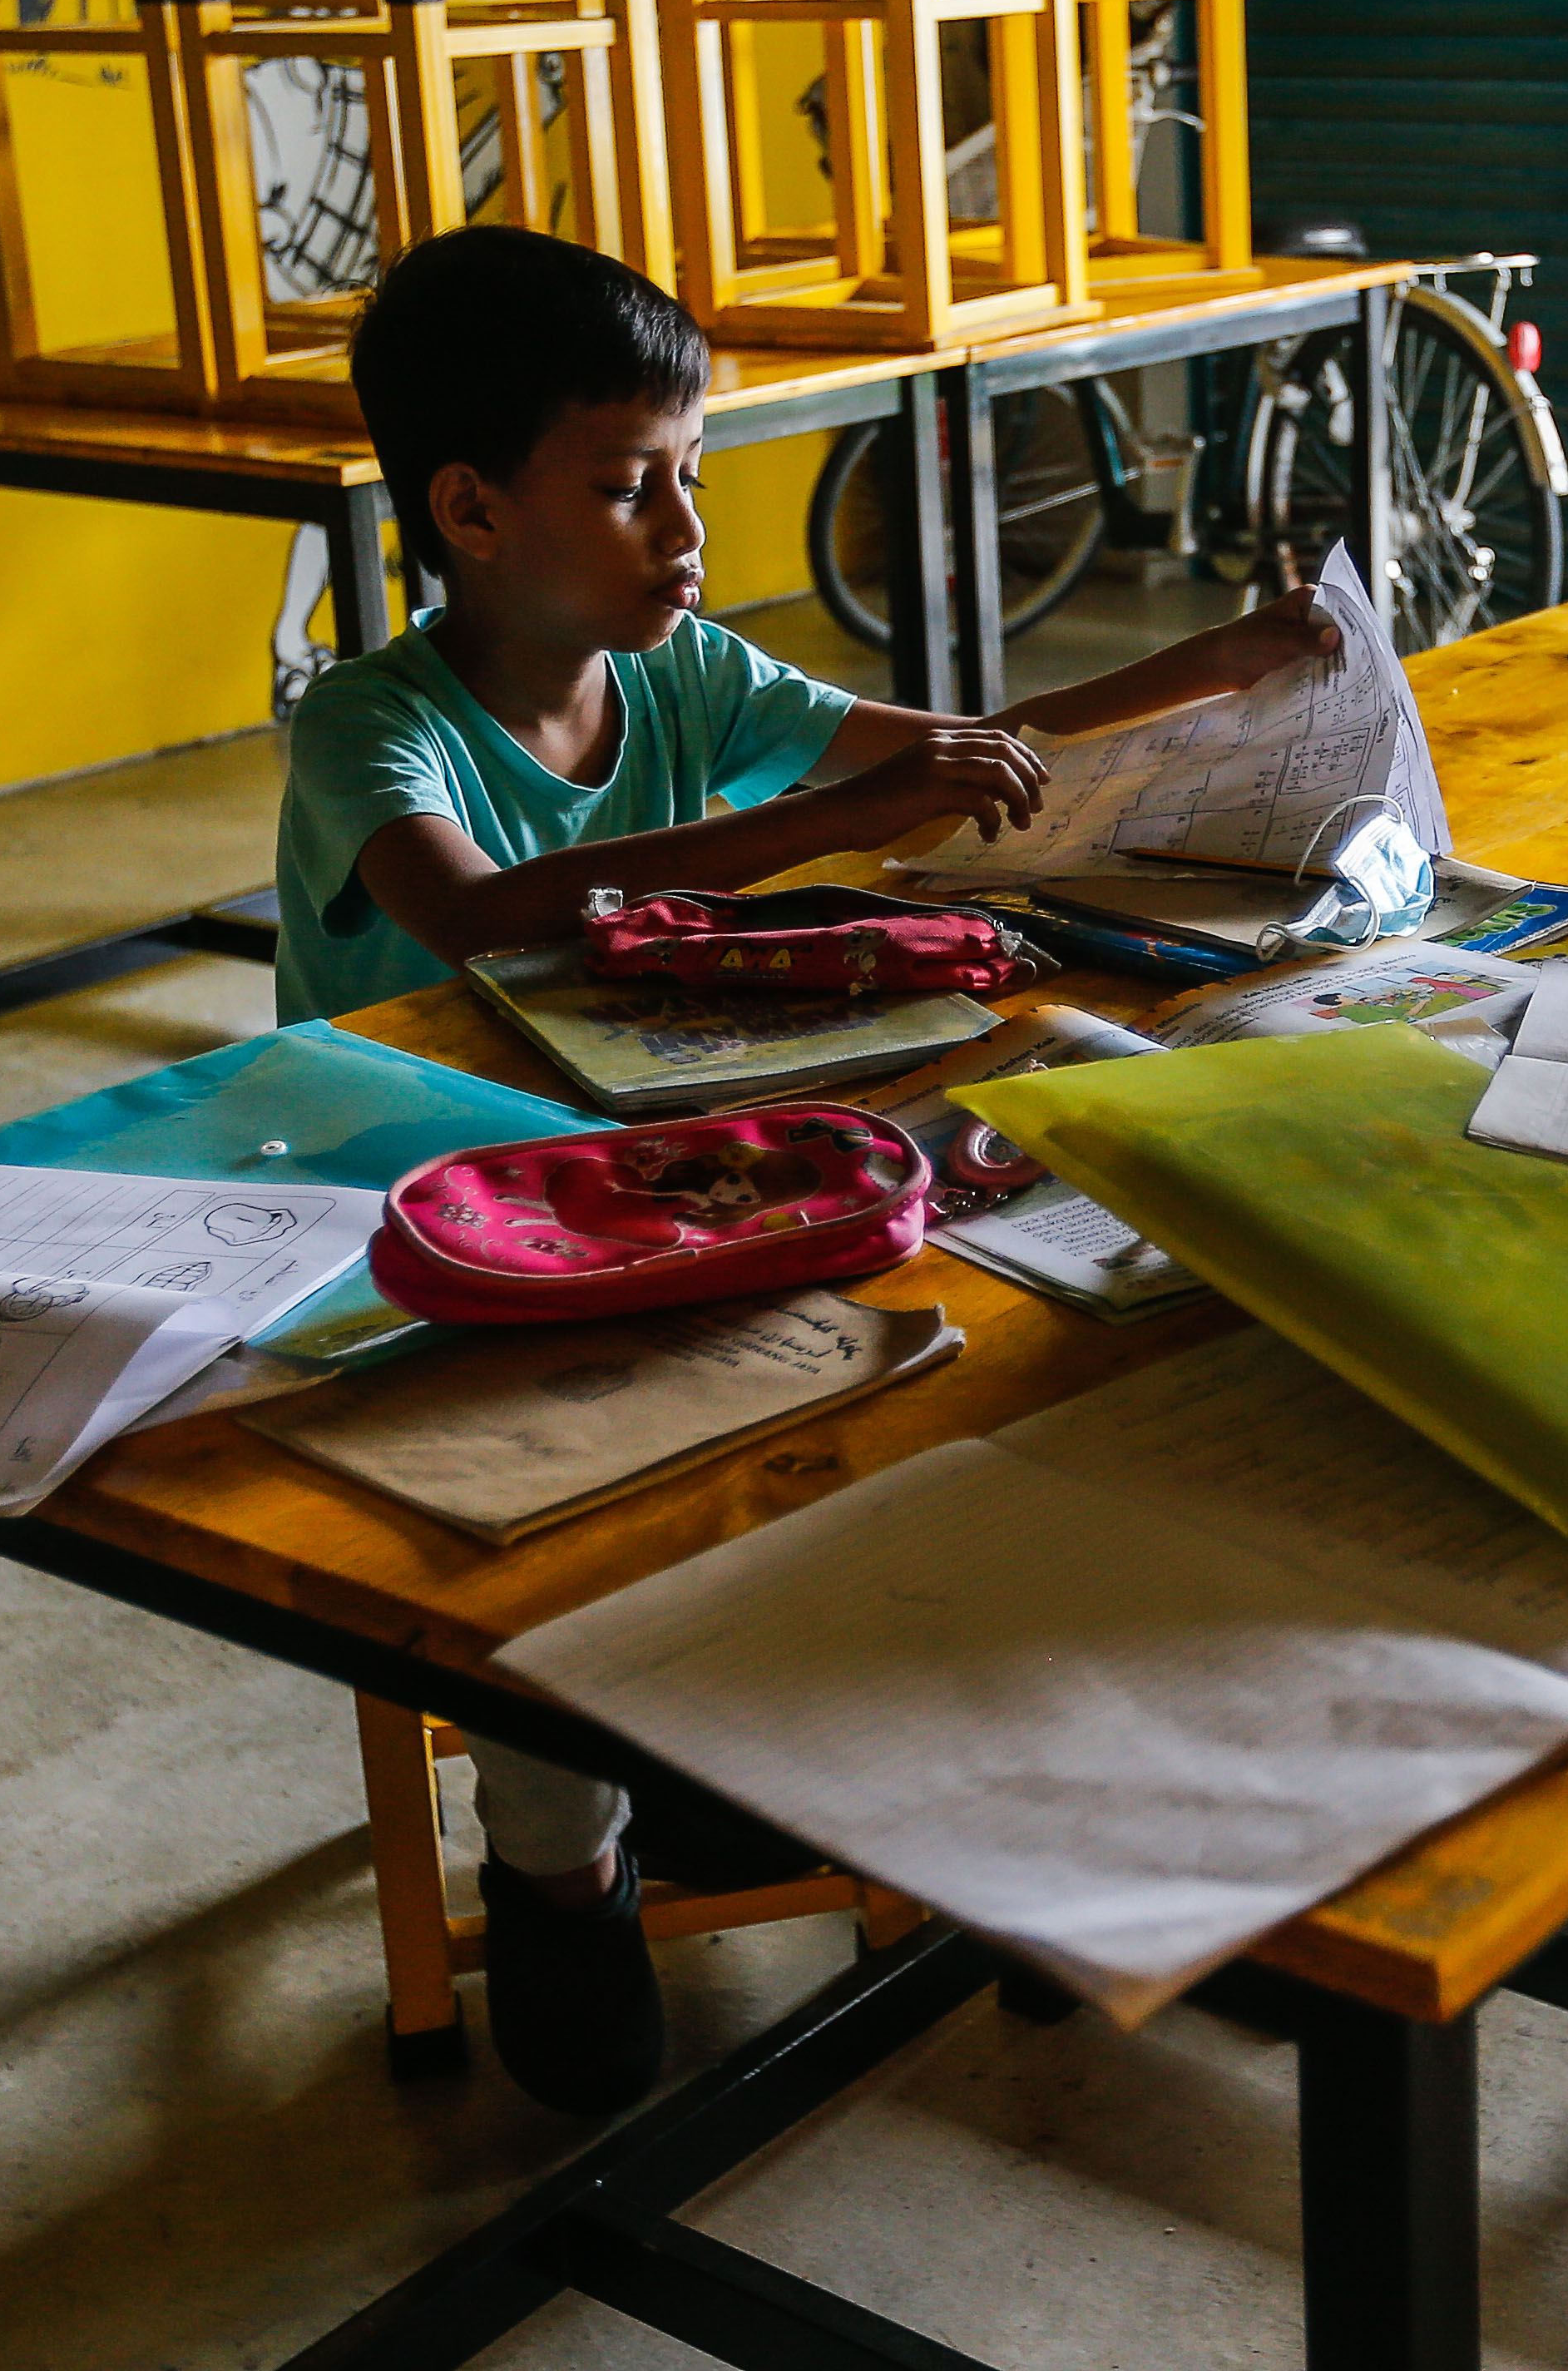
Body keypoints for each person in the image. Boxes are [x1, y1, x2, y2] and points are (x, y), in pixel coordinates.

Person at [279, 223, 1339, 2106]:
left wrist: (1230, 666)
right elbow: (475, 921)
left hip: (664, 1166)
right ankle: (561, 1861)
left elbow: (964, 758)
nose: (686, 533)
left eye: (693, 478)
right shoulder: (377, 719)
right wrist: (843, 820)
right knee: (541, 1497)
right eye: (628, 487)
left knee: (987, 1315)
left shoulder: (680, 668)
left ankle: (947, 1809)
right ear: (468, 510)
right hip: (424, 1212)